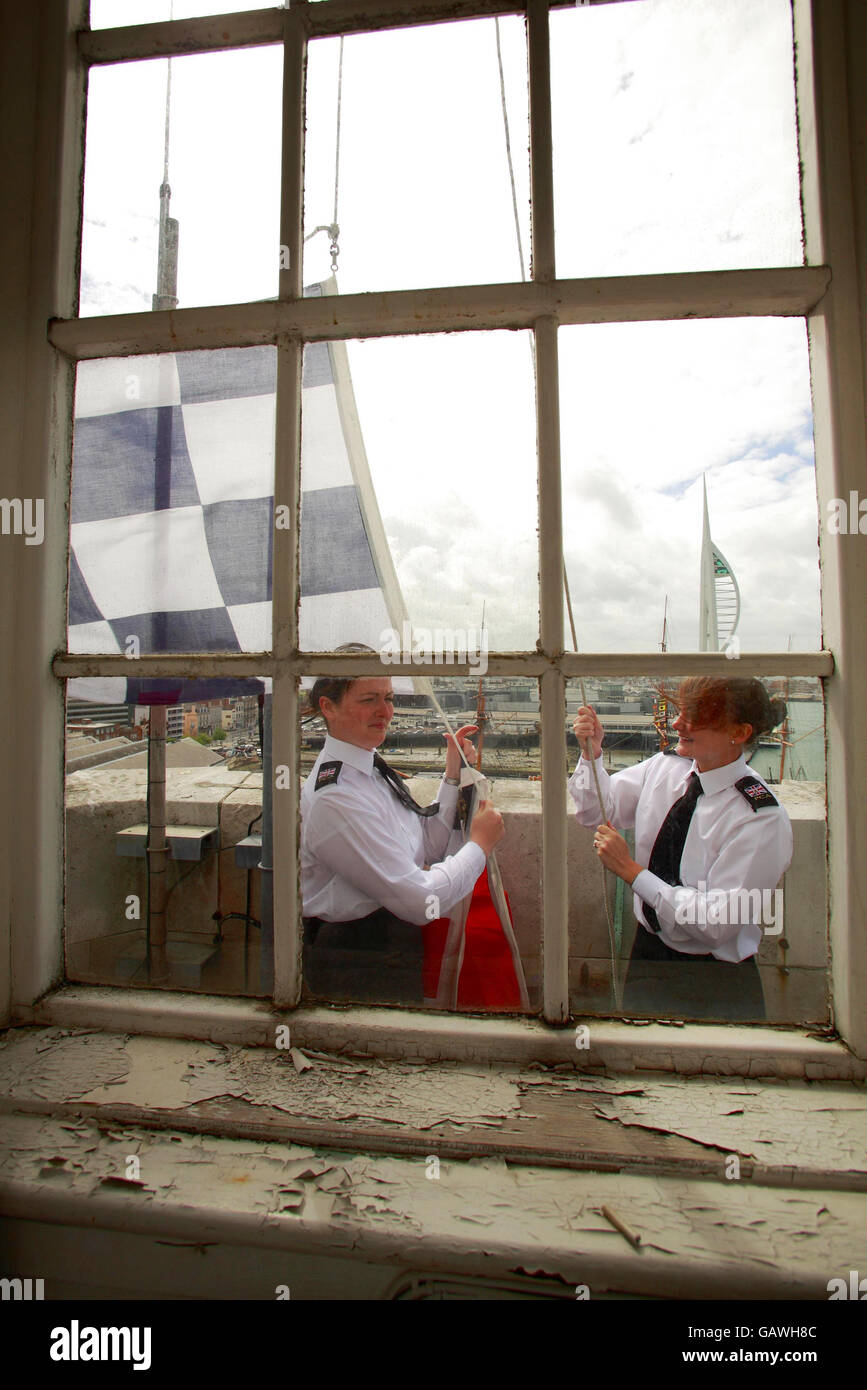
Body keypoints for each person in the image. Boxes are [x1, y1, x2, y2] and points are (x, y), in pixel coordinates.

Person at [569, 677, 793, 1021]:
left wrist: (633, 873)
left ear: (739, 732)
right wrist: (592, 754)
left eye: (695, 717)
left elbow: (717, 924)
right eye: (681, 712)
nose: (676, 724)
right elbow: (595, 811)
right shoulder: (665, 768)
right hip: (646, 955)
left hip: (715, 982)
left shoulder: (760, 818)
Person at [300, 664, 505, 1005]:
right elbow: (420, 901)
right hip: (355, 959)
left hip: (387, 944)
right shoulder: (336, 795)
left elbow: (425, 846)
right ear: (328, 707)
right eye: (369, 699)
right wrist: (479, 847)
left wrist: (452, 777)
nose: (385, 711)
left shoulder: (367, 767)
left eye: (389, 698)